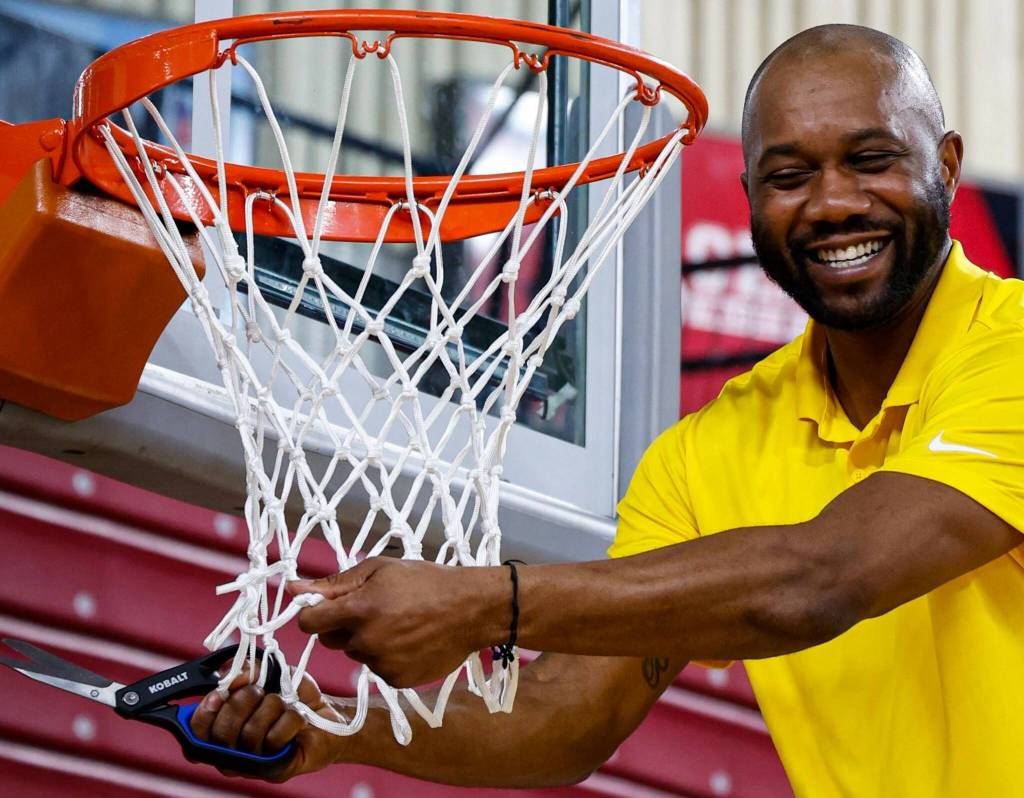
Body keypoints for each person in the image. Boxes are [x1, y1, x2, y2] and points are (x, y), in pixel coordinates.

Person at [190, 24, 1024, 796]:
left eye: (871, 160)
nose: (834, 203)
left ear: (945, 165)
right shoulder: (709, 453)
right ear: (750, 195)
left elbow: (823, 580)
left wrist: (483, 600)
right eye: (790, 176)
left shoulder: (1011, 349)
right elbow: (567, 714)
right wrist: (336, 726)